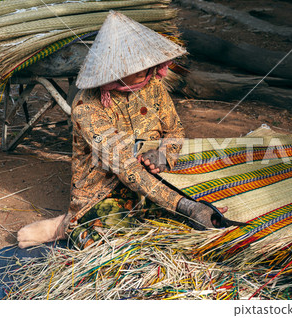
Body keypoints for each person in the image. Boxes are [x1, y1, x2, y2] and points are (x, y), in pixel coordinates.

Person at [17, 11, 227, 249]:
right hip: (106, 189)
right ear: (111, 67)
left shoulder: (153, 85)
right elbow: (126, 167)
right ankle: (66, 225)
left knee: (209, 215)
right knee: (115, 245)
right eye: (132, 64)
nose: (143, 69)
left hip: (156, 178)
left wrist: (164, 155)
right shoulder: (88, 107)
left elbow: (175, 129)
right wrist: (186, 206)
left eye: (145, 61)